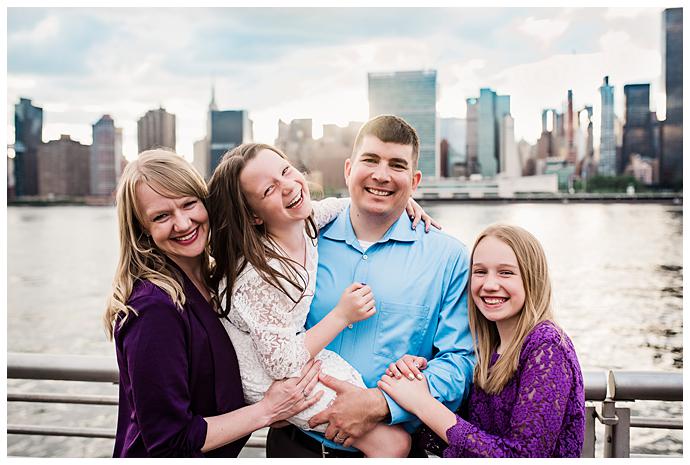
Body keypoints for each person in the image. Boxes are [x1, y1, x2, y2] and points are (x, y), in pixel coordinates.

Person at [206, 143, 437, 457]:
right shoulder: (259, 276)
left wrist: (404, 199)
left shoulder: (309, 220)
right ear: (254, 217)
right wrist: (342, 315)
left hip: (293, 350)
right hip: (270, 375)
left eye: (286, 171)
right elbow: (282, 362)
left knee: (369, 399)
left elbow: (345, 204)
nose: (288, 186)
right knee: (393, 444)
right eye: (269, 190)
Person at [265, 115, 476, 458]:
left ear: (414, 180)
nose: (381, 175)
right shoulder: (301, 238)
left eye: (396, 165)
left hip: (389, 449)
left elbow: (459, 363)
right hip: (294, 444)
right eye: (370, 160)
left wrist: (382, 403)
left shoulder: (448, 257)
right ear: (348, 170)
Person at [103, 149, 324, 457]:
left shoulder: (217, 279)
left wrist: (399, 207)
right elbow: (169, 440)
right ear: (143, 231)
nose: (182, 223)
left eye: (188, 204)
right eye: (161, 216)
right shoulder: (153, 309)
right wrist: (268, 409)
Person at [377, 224, 586, 458]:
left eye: (505, 272)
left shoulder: (547, 346)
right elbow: (463, 439)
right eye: (480, 271)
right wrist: (414, 377)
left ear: (532, 278)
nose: (489, 285)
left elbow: (524, 457)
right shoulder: (488, 349)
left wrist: (423, 404)